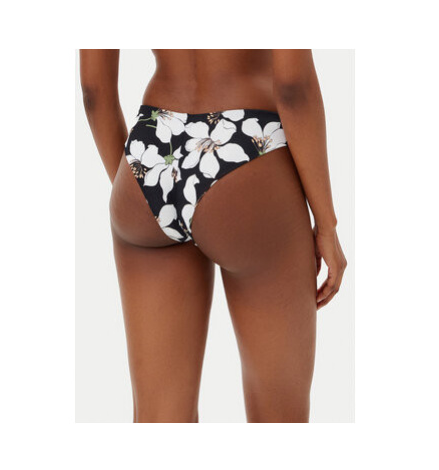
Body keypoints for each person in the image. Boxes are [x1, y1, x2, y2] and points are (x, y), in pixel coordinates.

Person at [80, 49, 347, 423]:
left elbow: (93, 91)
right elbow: (292, 86)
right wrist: (327, 224)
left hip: (152, 147)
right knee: (279, 417)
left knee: (158, 419)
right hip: (248, 144)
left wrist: (144, 197)